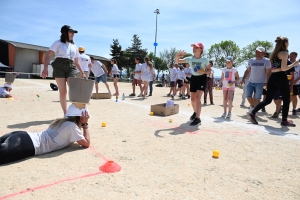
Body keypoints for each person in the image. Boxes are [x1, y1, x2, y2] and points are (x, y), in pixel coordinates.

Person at [0, 105, 90, 165]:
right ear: (81, 117)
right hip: (29, 144)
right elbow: (86, 143)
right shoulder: (71, 126)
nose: (88, 118)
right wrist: (85, 125)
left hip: (23, 136)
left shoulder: (65, 121)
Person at [247, 37, 299, 127]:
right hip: (281, 77)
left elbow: (274, 68)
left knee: (267, 100)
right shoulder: (284, 53)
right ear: (285, 44)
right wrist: (294, 64)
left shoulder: (274, 54)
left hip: (273, 77)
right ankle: (284, 121)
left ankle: (253, 112)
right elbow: (283, 68)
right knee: (286, 100)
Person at [42, 25, 86, 115]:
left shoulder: (74, 46)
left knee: (73, 89)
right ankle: (66, 113)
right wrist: (45, 68)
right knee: (63, 91)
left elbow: (76, 61)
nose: (73, 34)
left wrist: (82, 72)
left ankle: (76, 112)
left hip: (71, 66)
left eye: (73, 33)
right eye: (71, 32)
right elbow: (48, 56)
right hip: (59, 65)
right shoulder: (57, 43)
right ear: (64, 32)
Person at [176, 42, 211, 126]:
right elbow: (177, 62)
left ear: (201, 50)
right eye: (193, 47)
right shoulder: (190, 59)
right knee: (192, 99)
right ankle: (195, 112)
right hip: (194, 78)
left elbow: (209, 71)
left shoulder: (205, 60)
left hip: (202, 78)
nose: (194, 48)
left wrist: (203, 71)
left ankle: (198, 118)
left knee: (198, 97)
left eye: (196, 47)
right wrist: (177, 56)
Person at [241, 47, 271, 115]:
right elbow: (248, 70)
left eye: (259, 52)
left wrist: (267, 82)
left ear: (263, 53)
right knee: (248, 96)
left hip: (260, 82)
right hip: (250, 81)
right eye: (256, 52)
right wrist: (243, 79)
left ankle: (255, 112)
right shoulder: (251, 60)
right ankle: (252, 107)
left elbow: (268, 72)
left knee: (257, 98)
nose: (257, 54)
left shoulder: (267, 61)